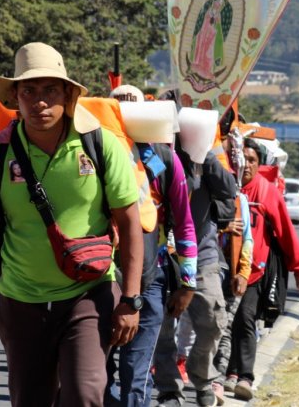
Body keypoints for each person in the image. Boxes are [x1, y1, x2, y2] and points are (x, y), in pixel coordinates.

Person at [0, 42, 144, 406]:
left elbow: (130, 224)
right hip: (21, 303)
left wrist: (130, 300)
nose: (39, 101)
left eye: (50, 90)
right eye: (29, 91)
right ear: (15, 97)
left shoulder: (99, 145)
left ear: (68, 94)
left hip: (88, 297)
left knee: (84, 394)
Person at [105, 85, 198, 407]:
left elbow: (185, 223)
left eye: (133, 107)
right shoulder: (86, 151)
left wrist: (187, 282)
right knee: (95, 376)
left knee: (137, 377)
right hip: (96, 283)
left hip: (149, 282)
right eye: (118, 107)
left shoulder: (163, 160)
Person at [153, 138, 237, 407]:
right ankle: (169, 389)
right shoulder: (153, 152)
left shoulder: (206, 152)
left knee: (213, 323)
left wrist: (205, 154)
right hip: (162, 258)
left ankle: (201, 376)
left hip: (203, 257)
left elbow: (229, 188)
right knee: (162, 328)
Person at [225, 138, 299, 401]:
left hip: (255, 269)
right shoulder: (224, 186)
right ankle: (230, 372)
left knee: (246, 316)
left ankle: (246, 377)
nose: (246, 165)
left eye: (253, 161)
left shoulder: (266, 191)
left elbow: (285, 231)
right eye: (243, 159)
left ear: (259, 165)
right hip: (224, 267)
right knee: (228, 322)